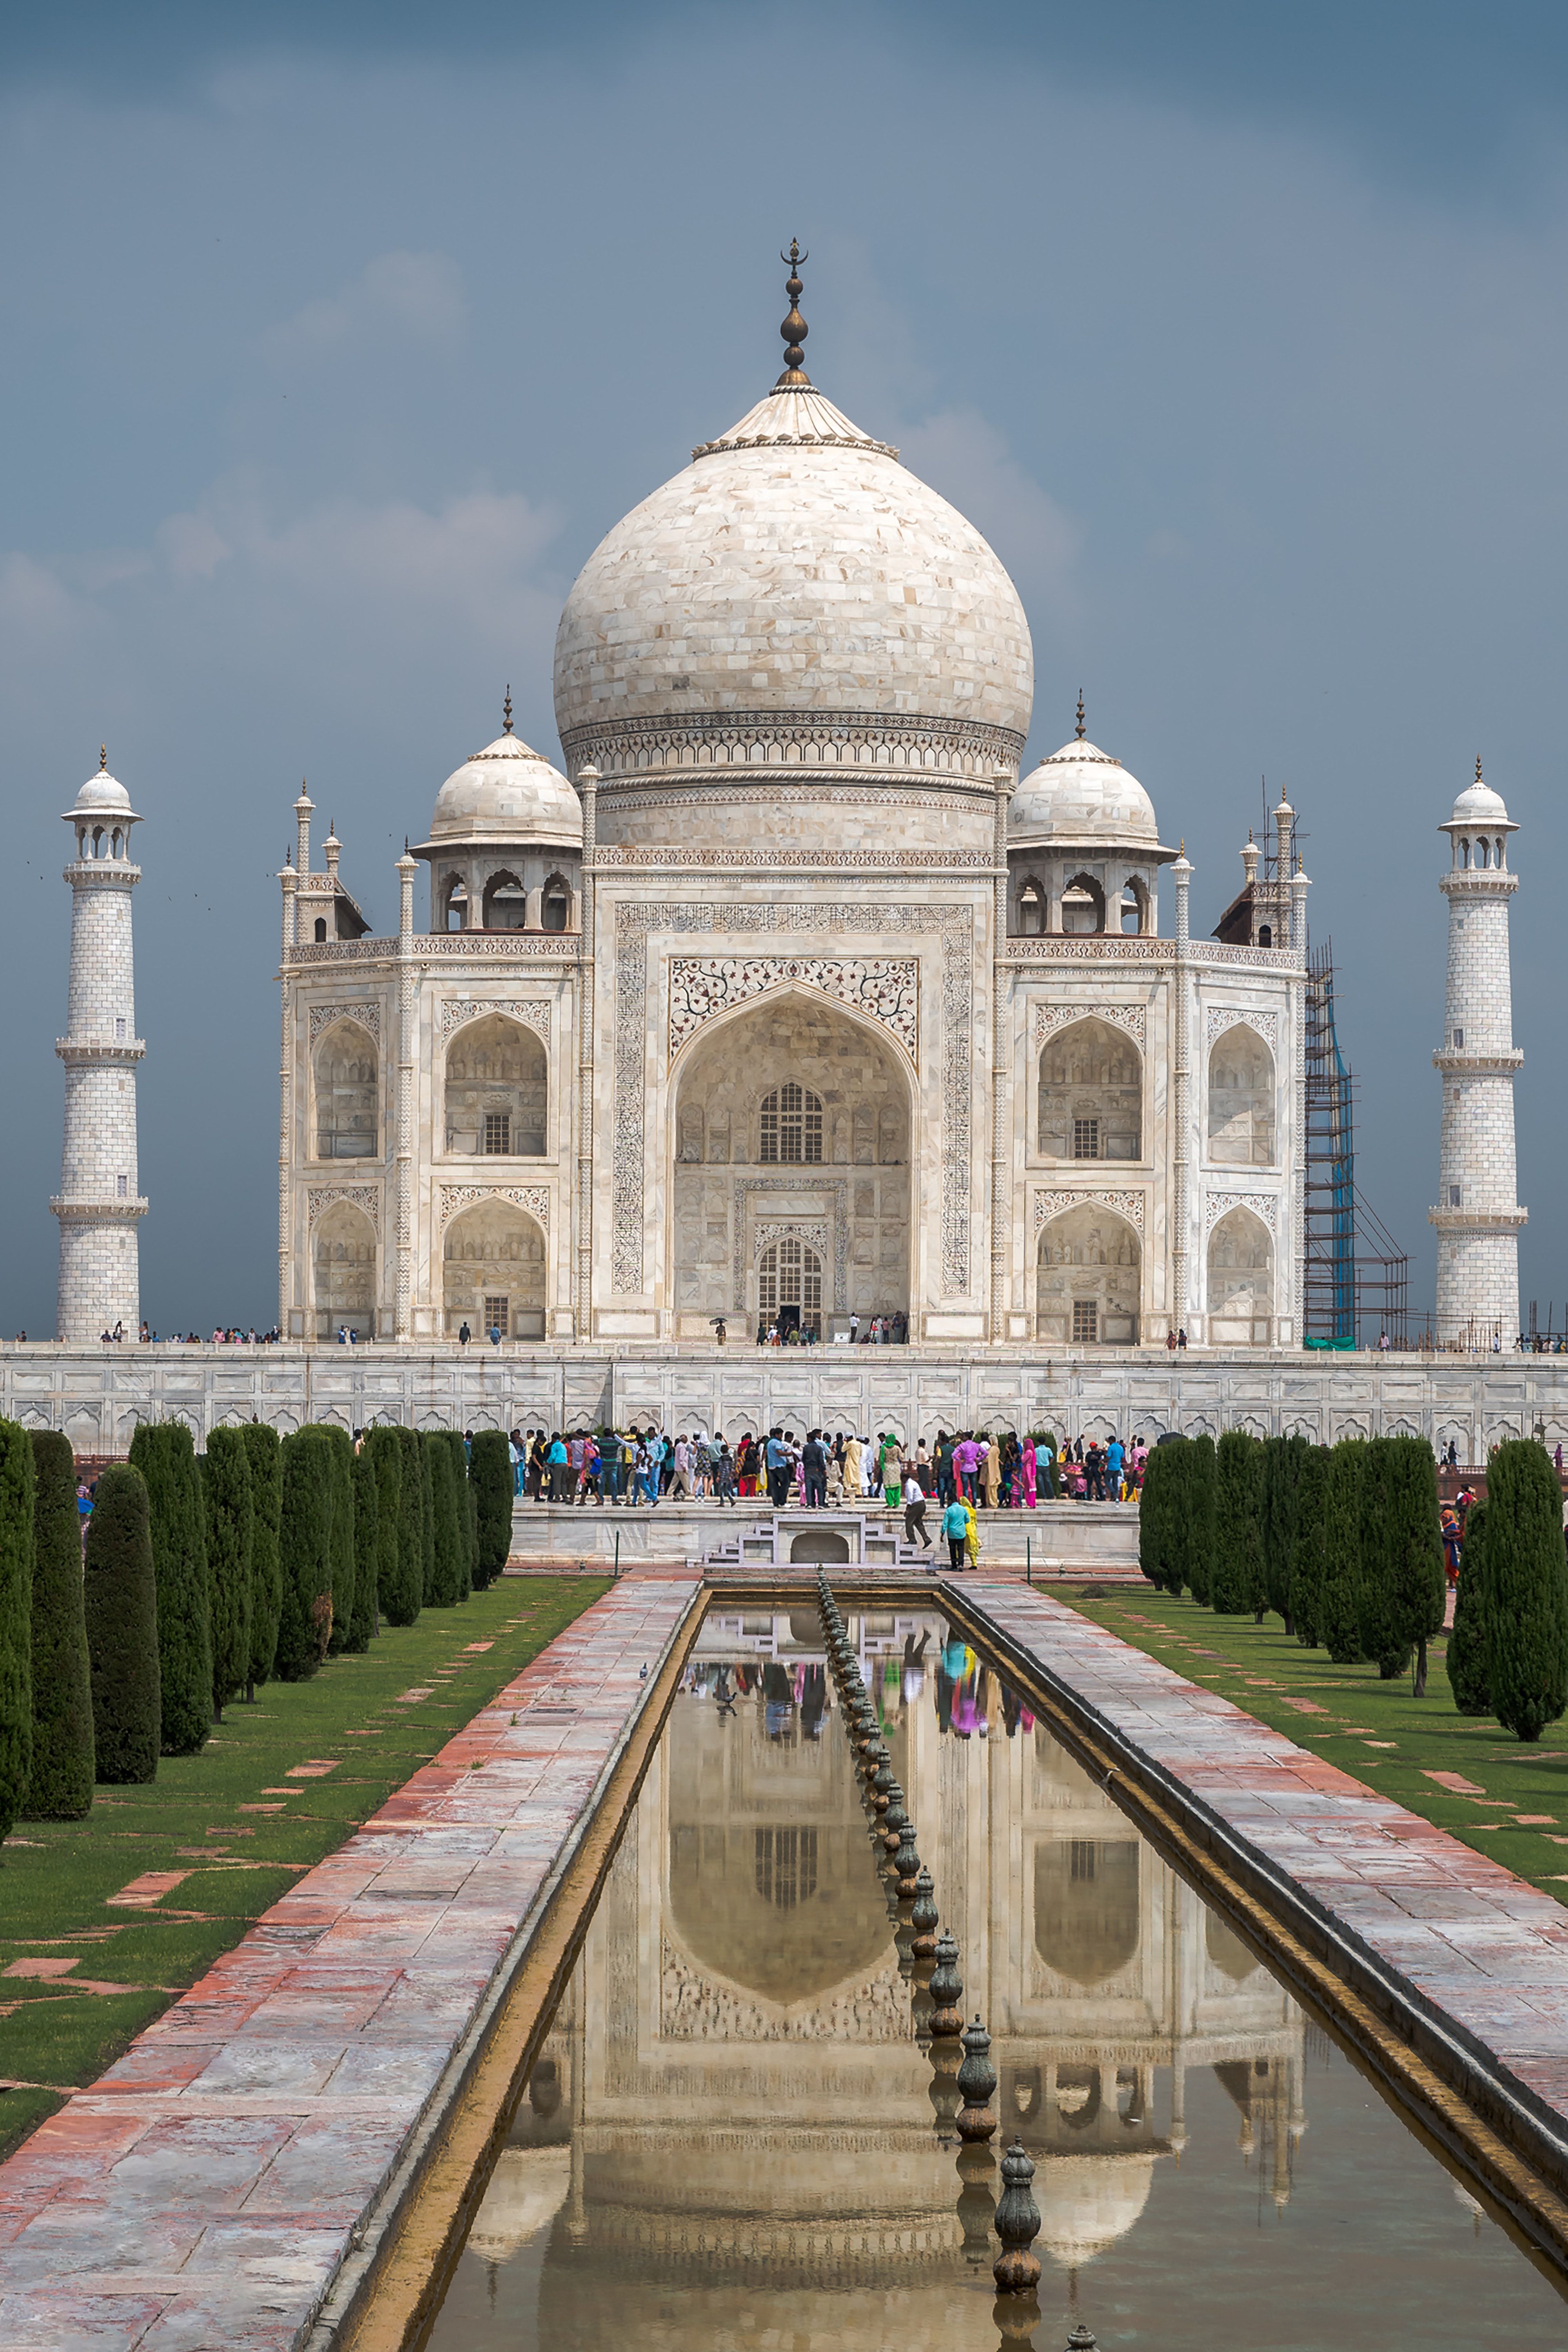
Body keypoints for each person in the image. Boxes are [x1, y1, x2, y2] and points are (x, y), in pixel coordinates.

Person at [903, 1465, 933, 1553]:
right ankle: (926, 1539)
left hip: (916, 1504)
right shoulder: (914, 1483)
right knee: (918, 1522)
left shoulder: (909, 1485)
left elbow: (910, 1498)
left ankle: (912, 1539)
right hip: (922, 1504)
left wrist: (907, 1510)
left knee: (909, 1521)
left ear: (904, 1478)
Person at [942, 1493, 971, 1571]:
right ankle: (961, 1564)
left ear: (951, 1501)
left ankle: (954, 1565)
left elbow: (945, 1523)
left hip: (952, 1533)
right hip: (961, 1532)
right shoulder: (963, 1509)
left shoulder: (949, 1510)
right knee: (961, 1548)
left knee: (953, 1549)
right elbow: (967, 1520)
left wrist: (942, 1533)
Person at [802, 1429, 828, 1509]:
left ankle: (810, 1504)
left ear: (810, 1438)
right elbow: (821, 1461)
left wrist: (806, 1467)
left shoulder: (806, 1448)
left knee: (809, 1487)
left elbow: (804, 1459)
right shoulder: (819, 1448)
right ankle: (820, 1503)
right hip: (817, 1470)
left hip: (809, 1470)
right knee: (819, 1487)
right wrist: (823, 1470)